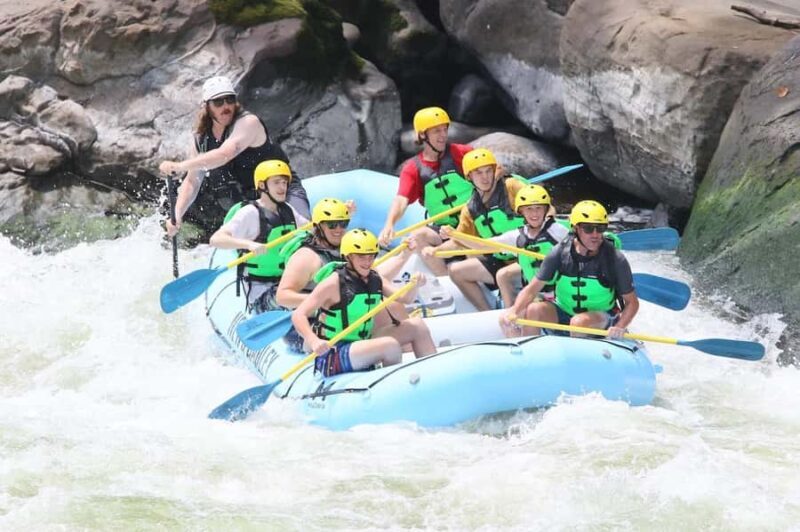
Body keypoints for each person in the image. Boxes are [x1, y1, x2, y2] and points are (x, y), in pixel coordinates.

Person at [159, 75, 309, 236]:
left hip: (283, 190)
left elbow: (225, 154)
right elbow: (192, 181)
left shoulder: (248, 122)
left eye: (229, 100)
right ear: (206, 106)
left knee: (304, 235)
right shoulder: (201, 139)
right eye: (218, 102)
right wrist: (177, 215)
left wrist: (180, 166)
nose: (226, 106)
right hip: (253, 202)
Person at [292, 229, 437, 377]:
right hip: (334, 352)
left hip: (364, 342)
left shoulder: (375, 278)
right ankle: (391, 390)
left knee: (418, 326)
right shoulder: (333, 283)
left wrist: (415, 285)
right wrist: (313, 340)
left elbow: (406, 298)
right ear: (348, 257)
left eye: (371, 256)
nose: (367, 262)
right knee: (390, 345)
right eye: (361, 257)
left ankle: (433, 378)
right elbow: (299, 315)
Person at [499, 200, 640, 339]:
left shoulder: (614, 258)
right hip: (564, 311)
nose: (595, 235)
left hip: (601, 317)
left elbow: (632, 303)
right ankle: (528, 354)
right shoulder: (559, 253)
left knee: (578, 322)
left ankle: (578, 358)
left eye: (601, 228)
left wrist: (620, 326)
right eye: (589, 229)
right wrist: (515, 310)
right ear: (575, 228)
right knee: (533, 309)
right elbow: (532, 290)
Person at [423, 148, 528, 311]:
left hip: (530, 257)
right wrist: (436, 250)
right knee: (456, 270)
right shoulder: (470, 209)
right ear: (469, 177)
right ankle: (487, 313)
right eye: (478, 173)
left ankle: (512, 318)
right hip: (502, 260)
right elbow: (458, 242)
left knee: (504, 275)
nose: (485, 177)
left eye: (488, 171)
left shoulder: (511, 187)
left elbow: (545, 210)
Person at [378, 107, 473, 275]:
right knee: (417, 236)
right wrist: (389, 224)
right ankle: (446, 279)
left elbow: (490, 173)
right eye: (437, 131)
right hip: (445, 229)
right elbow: (401, 200)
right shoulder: (413, 169)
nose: (443, 135)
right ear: (422, 135)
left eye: (445, 129)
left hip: (474, 221)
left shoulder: (462, 153)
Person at [443, 184, 568, 308]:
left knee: (533, 309)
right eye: (529, 209)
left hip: (563, 296)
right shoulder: (517, 237)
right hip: (537, 296)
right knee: (524, 311)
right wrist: (455, 235)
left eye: (538, 208)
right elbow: (484, 246)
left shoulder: (559, 231)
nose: (534, 213)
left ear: (546, 210)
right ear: (521, 211)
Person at [209, 159, 307, 314]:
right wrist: (249, 245)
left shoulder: (287, 210)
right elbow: (216, 239)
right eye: (276, 183)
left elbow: (312, 229)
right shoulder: (250, 212)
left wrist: (343, 214)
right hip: (261, 292)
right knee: (299, 300)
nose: (282, 187)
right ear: (262, 186)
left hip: (287, 283)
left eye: (284, 182)